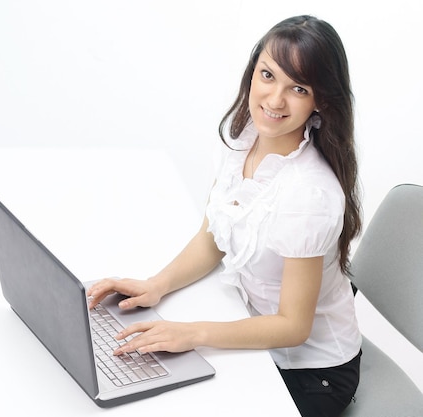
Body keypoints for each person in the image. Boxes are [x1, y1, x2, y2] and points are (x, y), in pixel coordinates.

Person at [87, 15, 363, 417]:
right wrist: (156, 284)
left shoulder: (310, 195)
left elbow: (292, 326)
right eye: (268, 75)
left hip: (312, 370)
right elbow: (214, 235)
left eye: (298, 88)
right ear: (253, 72)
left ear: (320, 100)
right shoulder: (243, 140)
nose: (274, 100)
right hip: (251, 329)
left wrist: (192, 333)